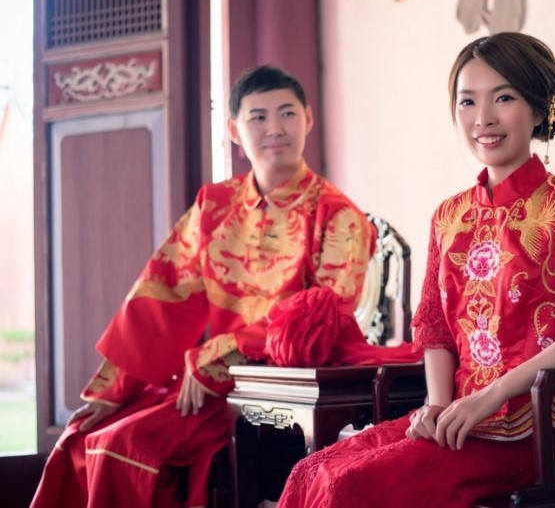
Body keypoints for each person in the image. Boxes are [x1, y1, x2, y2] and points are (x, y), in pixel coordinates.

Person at [277, 32, 555, 508]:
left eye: (503, 98)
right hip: (456, 420)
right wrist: (438, 403)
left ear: (539, 109)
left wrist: (491, 396)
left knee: (349, 486)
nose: (483, 118)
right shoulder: (450, 216)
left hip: (530, 434)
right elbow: (435, 328)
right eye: (468, 101)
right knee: (310, 470)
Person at [30, 65, 378, 508]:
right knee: (87, 438)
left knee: (126, 445)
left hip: (280, 390)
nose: (275, 128)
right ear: (234, 130)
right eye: (258, 117)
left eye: (287, 113)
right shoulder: (215, 205)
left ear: (308, 119)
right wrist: (113, 388)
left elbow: (326, 319)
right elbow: (164, 292)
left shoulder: (338, 215)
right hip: (208, 382)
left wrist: (225, 351)